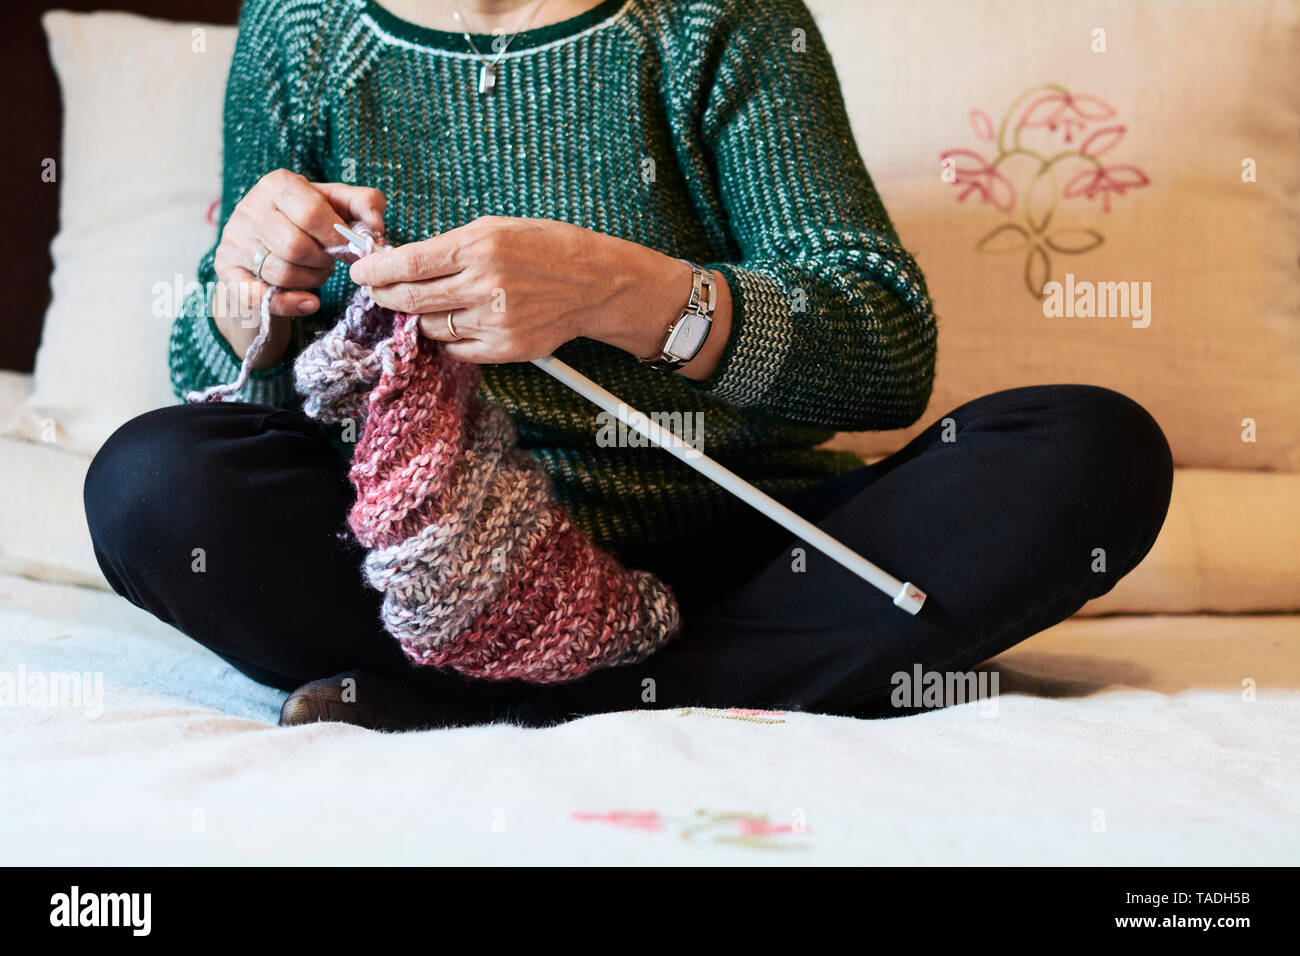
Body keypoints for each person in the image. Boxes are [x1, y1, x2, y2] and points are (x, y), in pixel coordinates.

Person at [84, 0, 1172, 730]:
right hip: (429, 565)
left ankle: (468, 700)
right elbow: (222, 392)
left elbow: (884, 352)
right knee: (151, 483)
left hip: (748, 553)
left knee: (1092, 452)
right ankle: (712, 684)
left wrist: (627, 295)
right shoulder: (302, 28)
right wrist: (247, 308)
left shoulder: (719, 22)